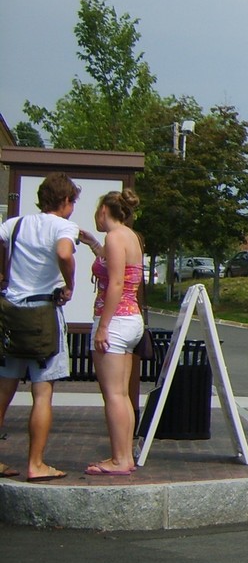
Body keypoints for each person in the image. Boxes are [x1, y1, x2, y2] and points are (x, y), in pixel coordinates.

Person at [0, 172, 81, 481]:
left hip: (11, 312)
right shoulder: (63, 226)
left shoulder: (16, 224)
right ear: (64, 200)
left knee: (3, 389)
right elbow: (63, 252)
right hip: (43, 313)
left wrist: (2, 273)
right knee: (42, 393)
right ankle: (36, 463)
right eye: (72, 201)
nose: (73, 207)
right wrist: (69, 283)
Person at [79, 189, 145, 476]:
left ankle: (118, 460)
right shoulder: (130, 236)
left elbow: (115, 283)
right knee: (122, 394)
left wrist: (102, 327)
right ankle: (125, 455)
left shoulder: (115, 237)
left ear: (105, 210)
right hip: (131, 321)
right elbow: (112, 264)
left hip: (115, 322)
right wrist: (93, 243)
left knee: (113, 395)